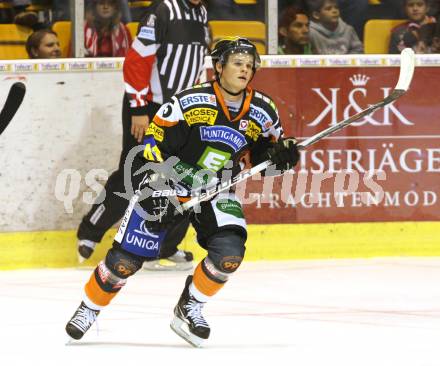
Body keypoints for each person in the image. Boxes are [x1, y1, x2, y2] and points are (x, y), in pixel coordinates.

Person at [65, 37, 300, 348]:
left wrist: (282, 157)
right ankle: (89, 308)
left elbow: (262, 162)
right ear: (219, 67)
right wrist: (160, 185)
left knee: (229, 254)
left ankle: (190, 308)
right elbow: (150, 146)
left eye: (249, 65)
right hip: (167, 183)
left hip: (217, 188)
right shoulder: (188, 103)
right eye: (238, 63)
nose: (245, 69)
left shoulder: (263, 111)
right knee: (124, 263)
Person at [76, 0, 210, 270]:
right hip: (149, 107)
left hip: (183, 112)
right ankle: (90, 231)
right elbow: (137, 61)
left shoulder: (202, 13)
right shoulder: (162, 10)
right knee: (134, 174)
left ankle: (164, 246)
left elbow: (196, 67)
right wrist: (139, 108)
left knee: (185, 176)